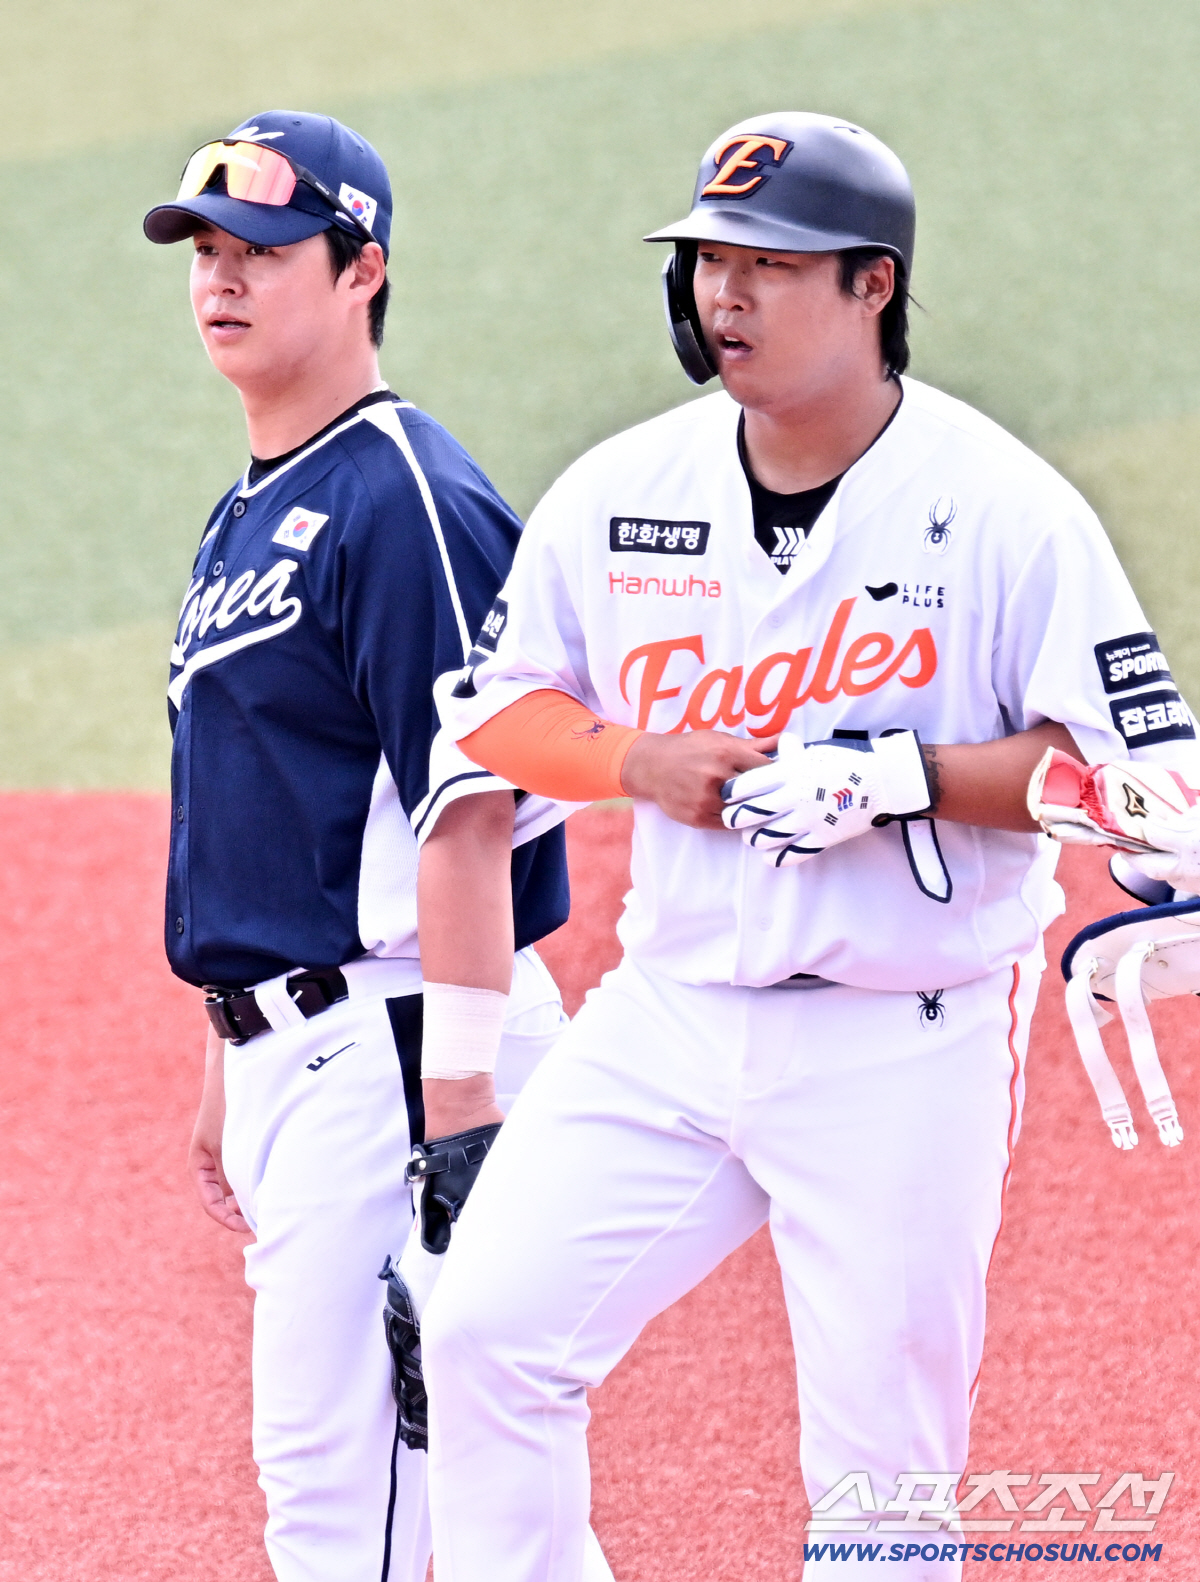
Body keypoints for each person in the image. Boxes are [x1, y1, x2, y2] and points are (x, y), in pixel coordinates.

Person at [418, 112, 1200, 1580]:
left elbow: (1147, 787)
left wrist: (906, 777)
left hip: (902, 1042)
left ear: (872, 284)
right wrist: (633, 759)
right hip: (667, 1016)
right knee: (484, 1336)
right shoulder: (622, 490)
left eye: (770, 265)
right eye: (710, 259)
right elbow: (496, 713)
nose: (725, 292)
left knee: (881, 1490)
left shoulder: (1006, 510)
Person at [142, 111, 574, 1582]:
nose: (222, 278)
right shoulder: (248, 510)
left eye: (262, 250)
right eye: (205, 250)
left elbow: (477, 803)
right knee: (466, 1505)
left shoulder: (403, 495)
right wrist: (229, 1056)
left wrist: (458, 1117)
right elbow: (261, 805)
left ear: (362, 271)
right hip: (307, 1056)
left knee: (353, 1511)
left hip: (398, 1046)